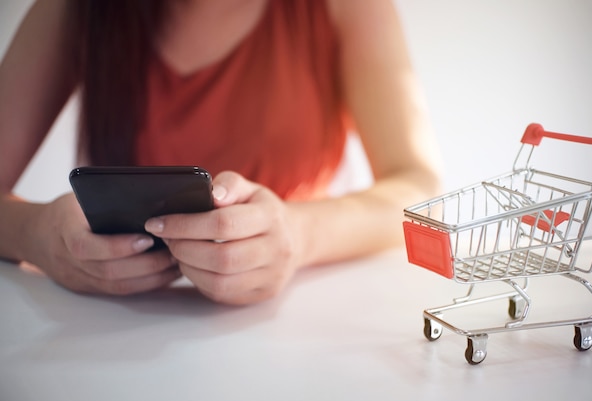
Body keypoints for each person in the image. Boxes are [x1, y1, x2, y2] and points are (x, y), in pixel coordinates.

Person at [0, 0, 442, 305]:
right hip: (114, 337)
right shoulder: (75, 8)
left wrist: (299, 234)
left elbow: (419, 188)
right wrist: (34, 235)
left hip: (296, 331)